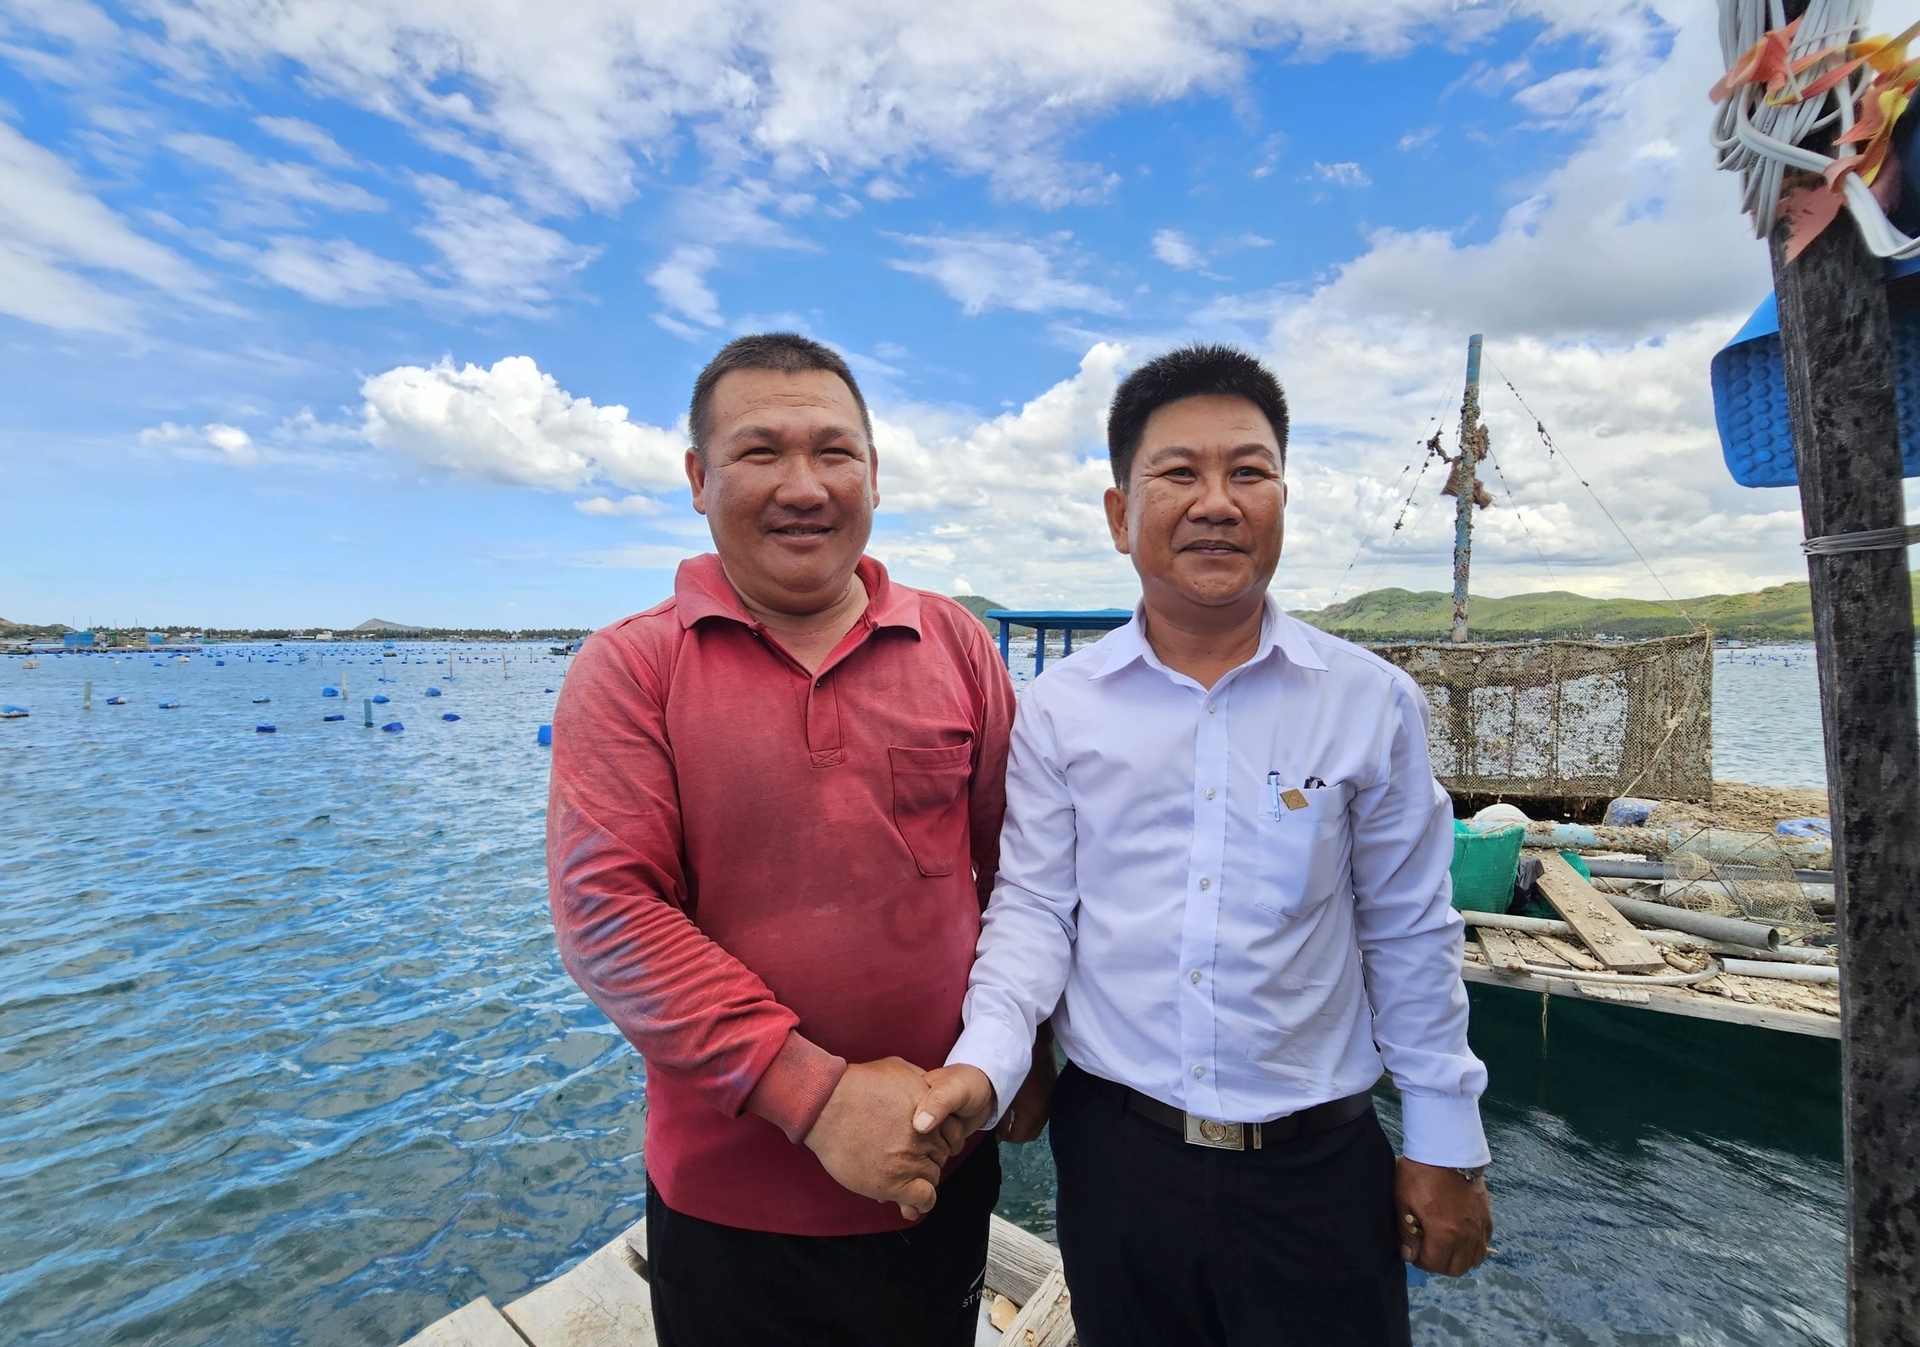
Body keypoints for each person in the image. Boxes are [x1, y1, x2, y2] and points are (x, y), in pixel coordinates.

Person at [914, 344, 1493, 1346]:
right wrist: (990, 1064)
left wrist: (1447, 1138)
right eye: (1178, 473)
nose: (1217, 501)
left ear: (1282, 499)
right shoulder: (1061, 713)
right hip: (1120, 1160)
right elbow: (1035, 912)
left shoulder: (1370, 705)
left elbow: (1408, 929)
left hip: (1321, 1163)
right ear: (1118, 513)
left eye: (1250, 471)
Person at [546, 333, 1052, 1346]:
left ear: (873, 470)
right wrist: (814, 1100)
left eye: (834, 451)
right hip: (730, 1203)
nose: (803, 485)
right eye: (760, 452)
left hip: (942, 1164)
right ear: (699, 477)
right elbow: (608, 916)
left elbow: (1021, 864)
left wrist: (1026, 1050)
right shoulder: (631, 668)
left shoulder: (953, 642)